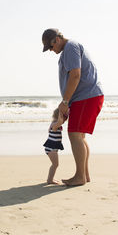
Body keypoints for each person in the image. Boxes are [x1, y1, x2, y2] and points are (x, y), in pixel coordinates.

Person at [42, 28, 104, 186]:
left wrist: (65, 101)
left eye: (50, 46)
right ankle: (84, 175)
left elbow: (75, 75)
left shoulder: (70, 47)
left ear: (56, 39)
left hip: (86, 96)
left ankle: (80, 176)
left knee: (75, 134)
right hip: (86, 96)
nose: (51, 50)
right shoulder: (69, 49)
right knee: (80, 136)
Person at [43, 108, 66, 184]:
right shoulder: (55, 125)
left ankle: (50, 178)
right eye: (64, 117)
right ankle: (49, 180)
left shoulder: (55, 124)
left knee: (55, 164)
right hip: (51, 148)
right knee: (55, 164)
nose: (65, 120)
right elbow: (60, 121)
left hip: (53, 148)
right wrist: (61, 113)